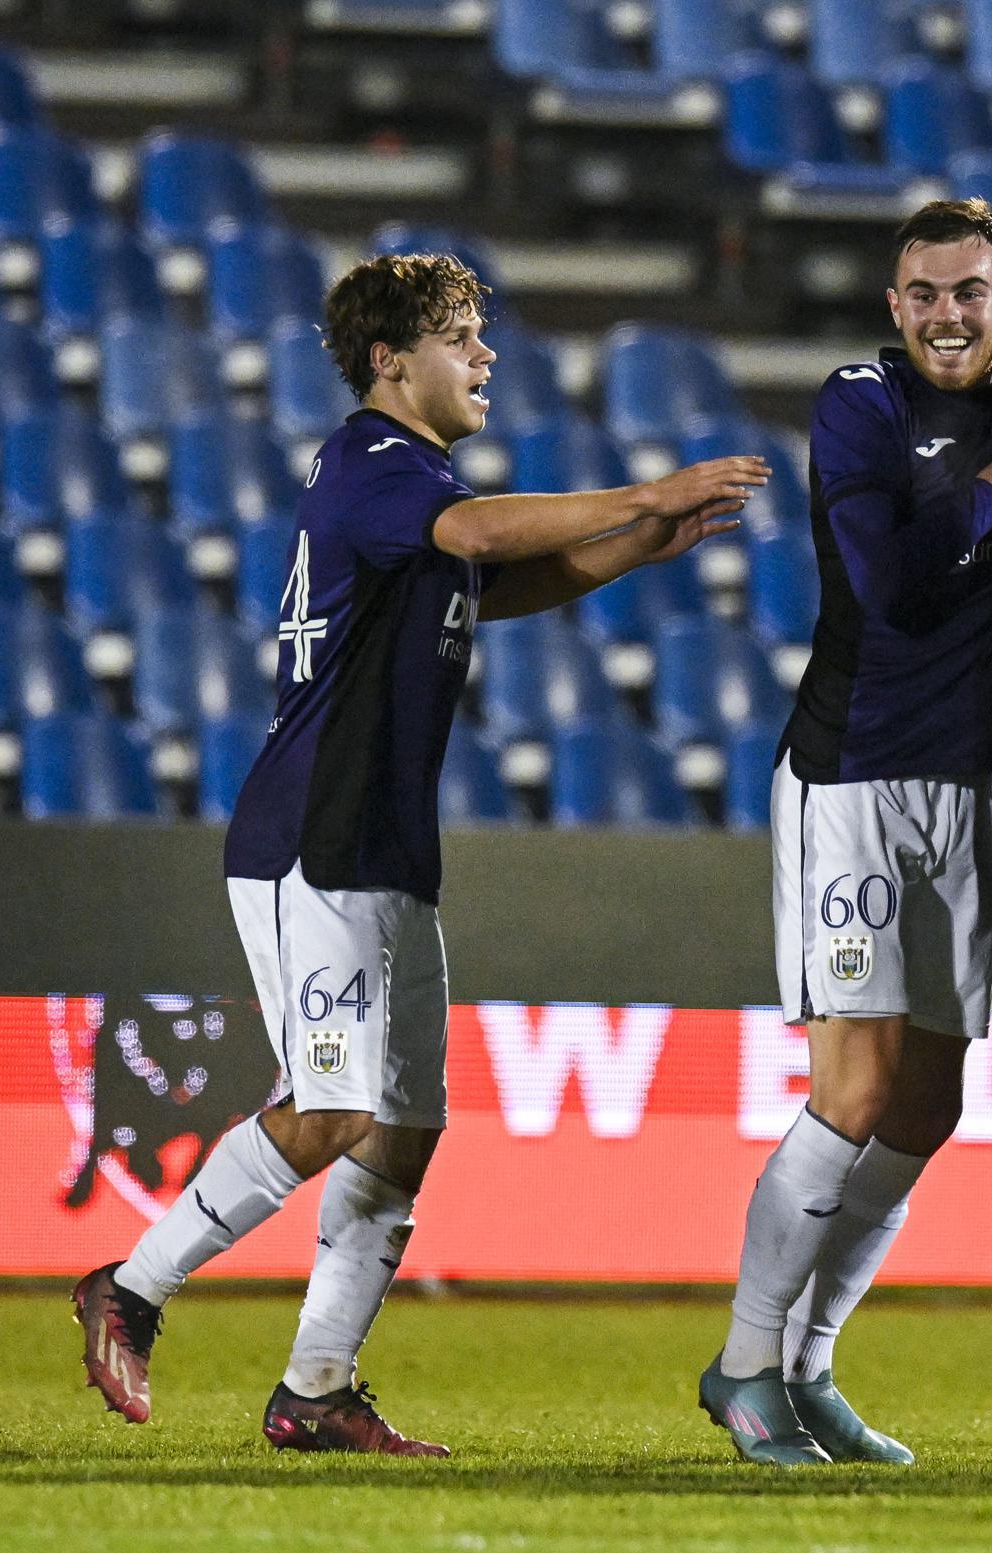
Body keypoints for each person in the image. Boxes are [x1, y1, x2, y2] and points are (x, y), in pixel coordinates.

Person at [73, 253, 766, 1453]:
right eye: (460, 334)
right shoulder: (378, 464)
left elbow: (489, 583)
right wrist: (641, 490)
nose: (485, 354)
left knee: (403, 1126)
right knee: (334, 1109)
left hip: (384, 843)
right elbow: (485, 532)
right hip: (315, 835)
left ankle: (316, 1388)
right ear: (392, 360)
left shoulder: (409, 487)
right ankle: (130, 1287)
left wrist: (636, 549)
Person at [704, 199, 992, 1468]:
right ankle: (746, 1362)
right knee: (854, 1088)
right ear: (893, 304)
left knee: (927, 1103)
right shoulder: (856, 402)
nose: (944, 315)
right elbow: (900, 590)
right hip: (852, 781)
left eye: (968, 291)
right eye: (922, 293)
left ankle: (810, 1368)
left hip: (964, 790)